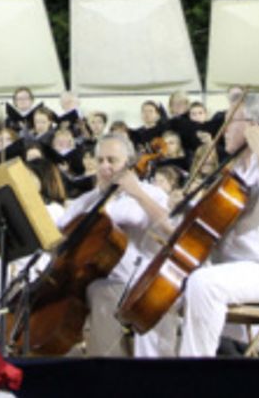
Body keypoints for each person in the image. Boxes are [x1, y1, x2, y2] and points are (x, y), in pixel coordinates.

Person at [175, 92, 259, 357]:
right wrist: (186, 209)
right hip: (232, 268)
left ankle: (192, 375)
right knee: (170, 289)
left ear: (252, 127)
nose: (223, 129)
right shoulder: (235, 173)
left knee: (205, 284)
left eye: (231, 121)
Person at [59, 133, 173, 357]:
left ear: (129, 165)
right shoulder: (86, 201)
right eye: (100, 160)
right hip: (96, 280)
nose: (104, 166)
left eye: (112, 160)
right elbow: (59, 236)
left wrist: (137, 193)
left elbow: (171, 230)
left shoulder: (151, 194)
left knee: (102, 292)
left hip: (141, 280)